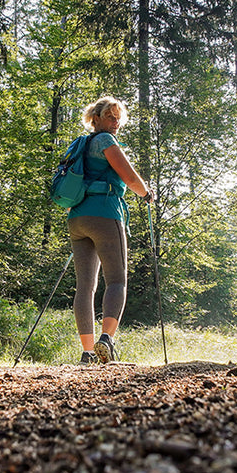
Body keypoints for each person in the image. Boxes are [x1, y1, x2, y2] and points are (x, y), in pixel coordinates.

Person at [68, 96, 154, 365]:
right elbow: (129, 177)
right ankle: (106, 340)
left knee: (85, 286)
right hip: (105, 215)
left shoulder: (81, 145)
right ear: (96, 118)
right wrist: (146, 193)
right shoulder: (106, 141)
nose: (115, 123)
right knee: (116, 280)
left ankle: (88, 353)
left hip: (77, 218)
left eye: (118, 118)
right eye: (110, 117)